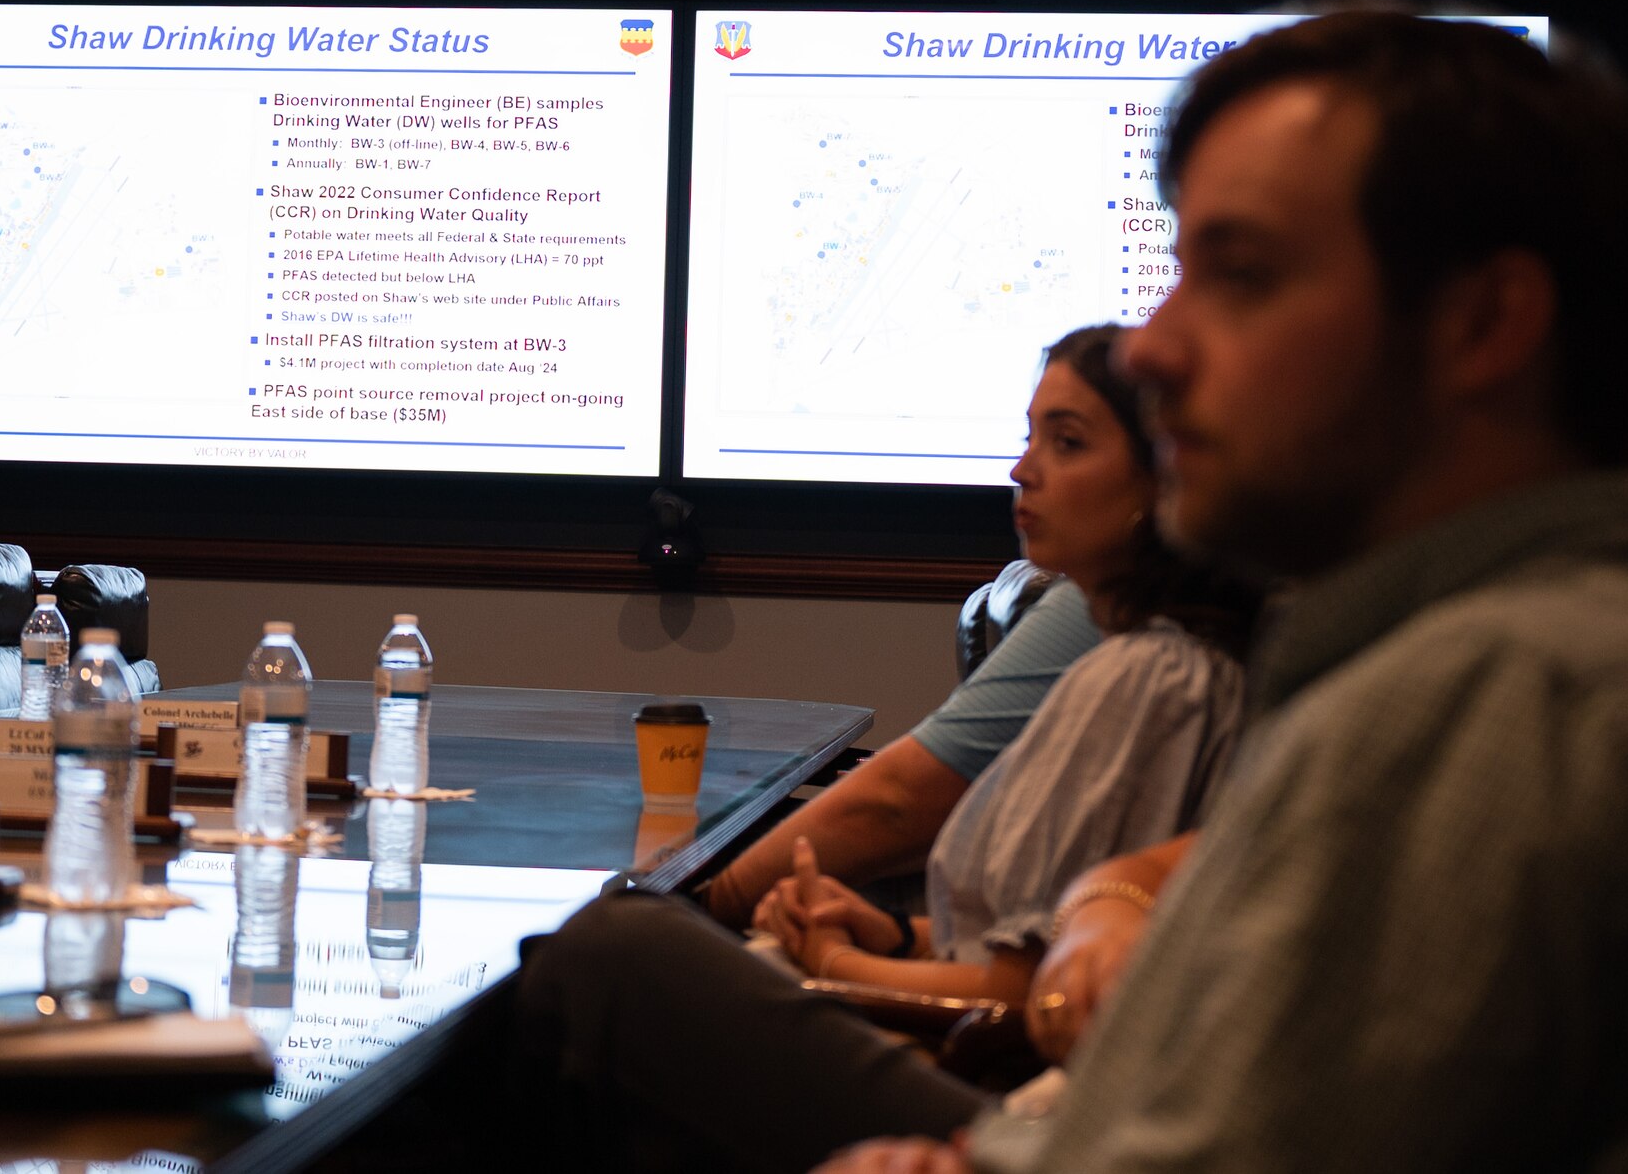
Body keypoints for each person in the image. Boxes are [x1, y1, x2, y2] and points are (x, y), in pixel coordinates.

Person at [817, 11, 1628, 1174]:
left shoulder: (1497, 700)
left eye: (1241, 274)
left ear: (1481, 322)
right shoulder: (1460, 668)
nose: (1153, 349)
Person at [515, 326, 1260, 1172]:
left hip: (1006, 1101)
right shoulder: (1167, 664)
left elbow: (1031, 997)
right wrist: (891, 937)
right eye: (1029, 437)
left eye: (1068, 442)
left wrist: (835, 959)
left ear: (1161, 476)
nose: (1023, 470)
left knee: (610, 951)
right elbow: (1024, 941)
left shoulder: (1148, 676)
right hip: (975, 1043)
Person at [703, 563, 1103, 931]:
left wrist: (710, 905)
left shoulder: (1099, 614)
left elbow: (894, 802)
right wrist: (900, 939)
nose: (1017, 478)